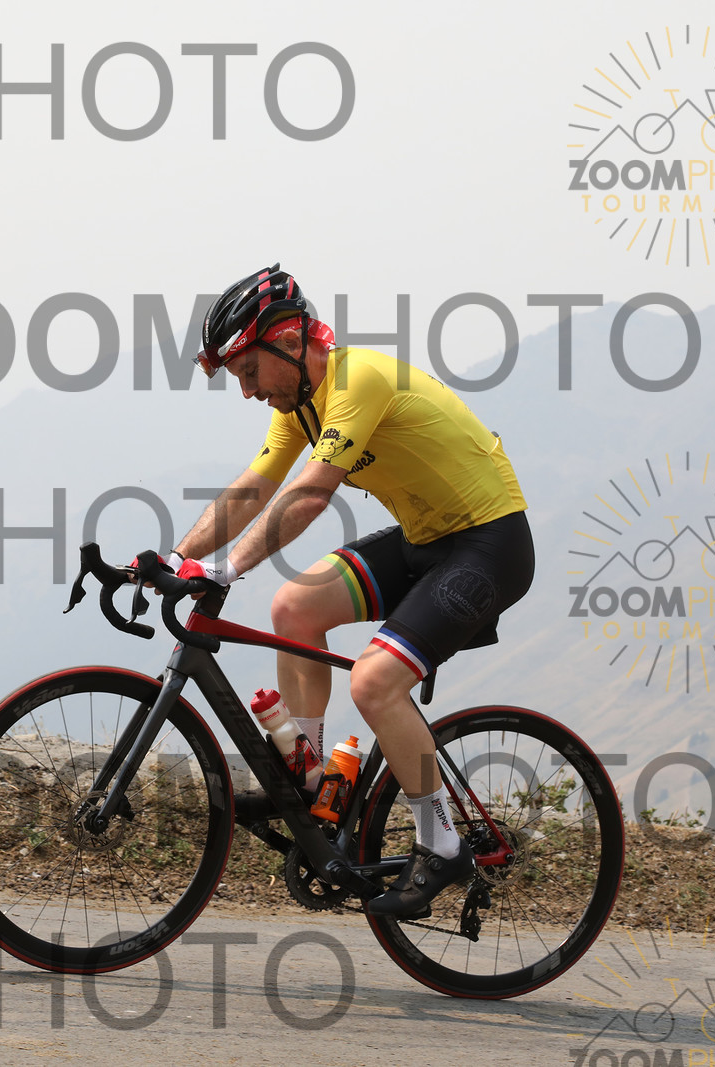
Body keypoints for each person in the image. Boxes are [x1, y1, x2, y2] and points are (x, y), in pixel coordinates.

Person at [164, 264, 535, 917]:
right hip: (426, 540)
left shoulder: (358, 379)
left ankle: (442, 844)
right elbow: (255, 486)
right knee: (293, 606)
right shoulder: (302, 406)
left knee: (373, 683)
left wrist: (227, 568)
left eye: (248, 371)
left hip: (489, 546)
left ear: (287, 341)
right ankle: (311, 779)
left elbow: (309, 494)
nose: (247, 391)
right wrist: (176, 557)